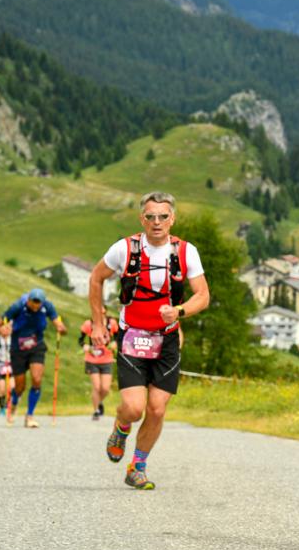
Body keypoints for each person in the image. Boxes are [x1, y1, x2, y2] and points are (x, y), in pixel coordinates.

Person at [88, 191, 209, 490]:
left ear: (173, 219)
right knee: (133, 407)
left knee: (156, 408)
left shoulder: (185, 252)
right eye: (151, 217)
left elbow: (203, 295)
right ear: (142, 218)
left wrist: (179, 311)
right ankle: (121, 427)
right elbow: (95, 278)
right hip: (132, 337)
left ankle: (137, 467)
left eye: (163, 216)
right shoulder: (124, 248)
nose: (157, 222)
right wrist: (99, 324)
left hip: (166, 340)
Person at [0, 287, 67, 428]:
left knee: (37, 379)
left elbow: (58, 323)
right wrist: (1, 329)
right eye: (34, 302)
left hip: (36, 346)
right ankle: (14, 403)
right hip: (18, 349)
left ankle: (30, 416)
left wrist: (61, 328)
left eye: (39, 302)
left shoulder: (47, 307)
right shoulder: (18, 307)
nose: (36, 305)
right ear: (28, 300)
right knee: (20, 386)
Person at [79, 312, 119, 420]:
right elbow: (80, 340)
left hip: (107, 359)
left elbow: (118, 337)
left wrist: (115, 343)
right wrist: (85, 346)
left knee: (105, 388)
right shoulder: (88, 324)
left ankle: (99, 402)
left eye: (103, 312)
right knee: (97, 387)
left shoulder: (112, 323)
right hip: (92, 359)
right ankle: (96, 410)